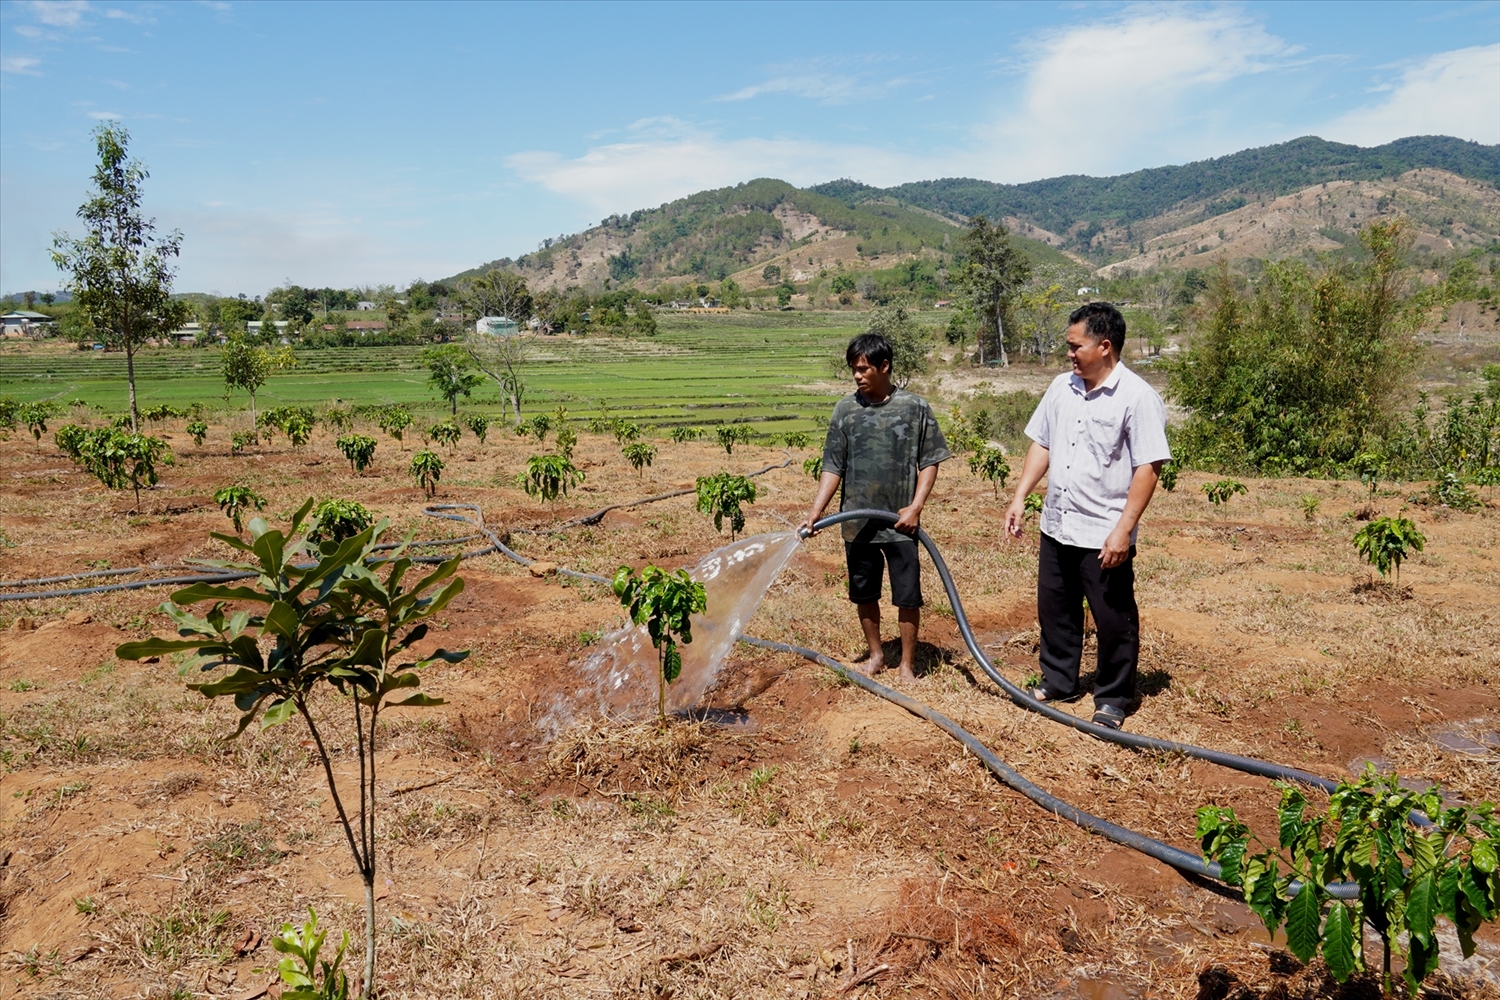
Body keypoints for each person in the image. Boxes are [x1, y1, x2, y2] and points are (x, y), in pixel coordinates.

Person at [1003, 302, 1170, 730]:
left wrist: (1123, 530)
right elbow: (1042, 444)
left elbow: (1148, 467)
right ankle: (1059, 680)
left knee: (1112, 617)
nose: (1070, 354)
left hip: (1103, 531)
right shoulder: (1062, 387)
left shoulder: (1137, 398)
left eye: (1076, 347)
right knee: (1055, 608)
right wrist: (1021, 495)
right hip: (1058, 523)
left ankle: (1113, 697)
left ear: (1105, 346)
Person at [801, 332, 951, 681]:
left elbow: (930, 461)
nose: (857, 376)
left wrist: (915, 507)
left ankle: (907, 665)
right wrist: (816, 510)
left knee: (908, 596)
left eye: (864, 369)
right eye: (854, 369)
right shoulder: (845, 410)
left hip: (900, 524)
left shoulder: (914, 408)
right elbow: (833, 466)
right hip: (857, 523)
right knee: (864, 593)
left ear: (885, 367)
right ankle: (877, 654)